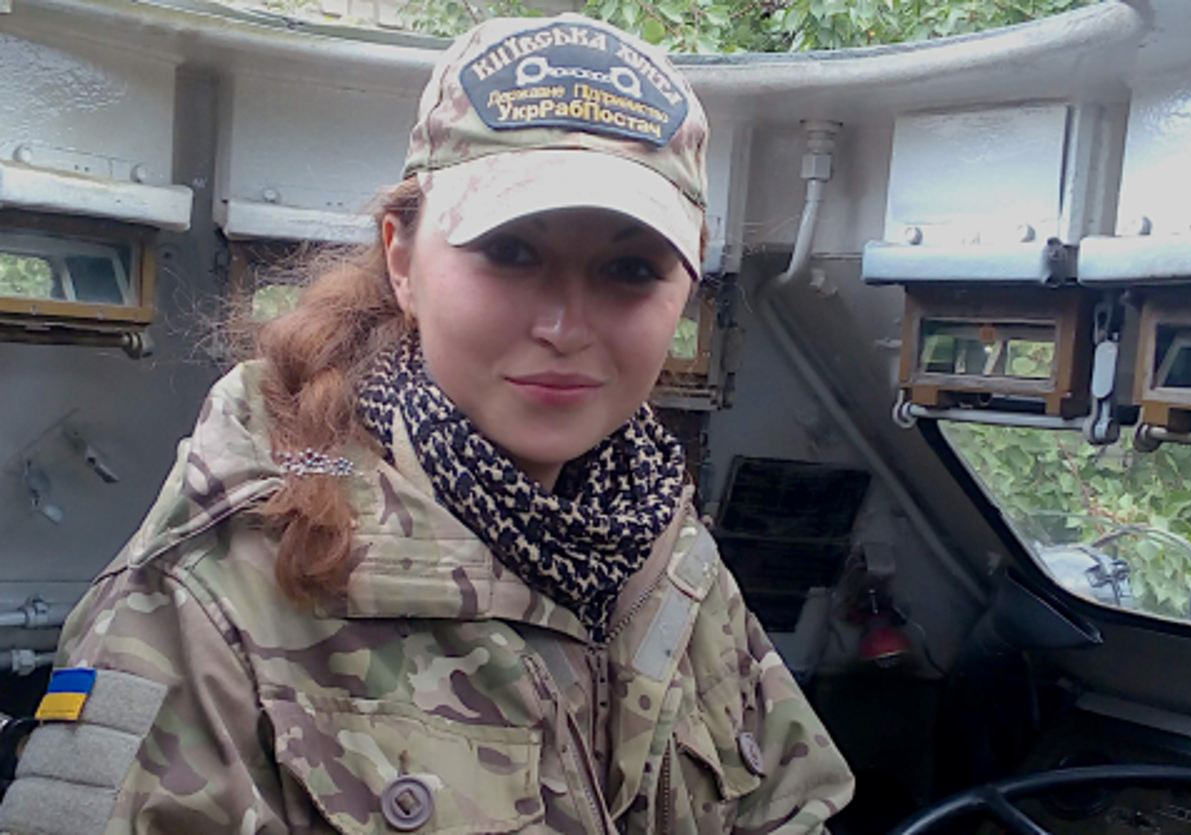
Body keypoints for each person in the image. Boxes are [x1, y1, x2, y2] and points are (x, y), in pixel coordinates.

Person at [0, 14, 853, 835]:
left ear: (688, 286)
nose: (565, 325)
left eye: (630, 269)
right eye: (511, 253)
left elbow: (791, 801)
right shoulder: (211, 597)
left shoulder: (664, 548)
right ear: (402, 259)